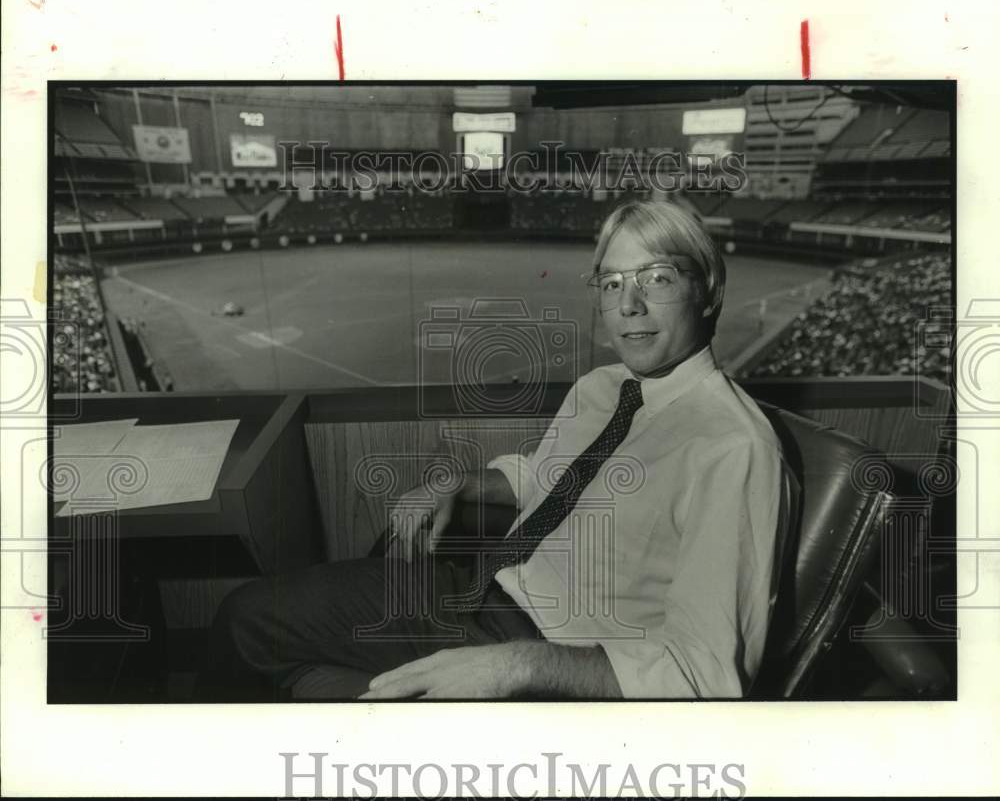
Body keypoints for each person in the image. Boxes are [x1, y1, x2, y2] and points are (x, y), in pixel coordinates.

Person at [198, 199, 793, 701]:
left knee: (253, 633)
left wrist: (517, 665)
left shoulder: (732, 449)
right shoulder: (604, 388)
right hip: (485, 590)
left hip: (557, 657)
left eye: (656, 277)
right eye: (611, 283)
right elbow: (552, 479)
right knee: (249, 615)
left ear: (709, 289)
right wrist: (461, 484)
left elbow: (707, 674)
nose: (628, 305)